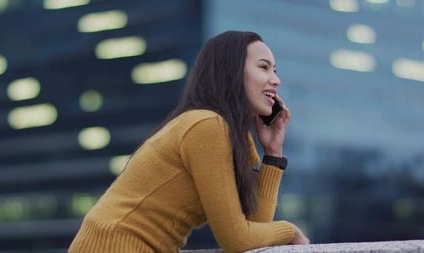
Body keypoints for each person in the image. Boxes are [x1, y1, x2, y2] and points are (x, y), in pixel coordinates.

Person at [68, 31, 309, 253]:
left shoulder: (234, 137)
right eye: (264, 68)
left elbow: (255, 231)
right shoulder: (206, 125)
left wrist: (273, 153)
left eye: (275, 70)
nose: (275, 80)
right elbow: (237, 239)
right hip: (113, 246)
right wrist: (290, 230)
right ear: (232, 71)